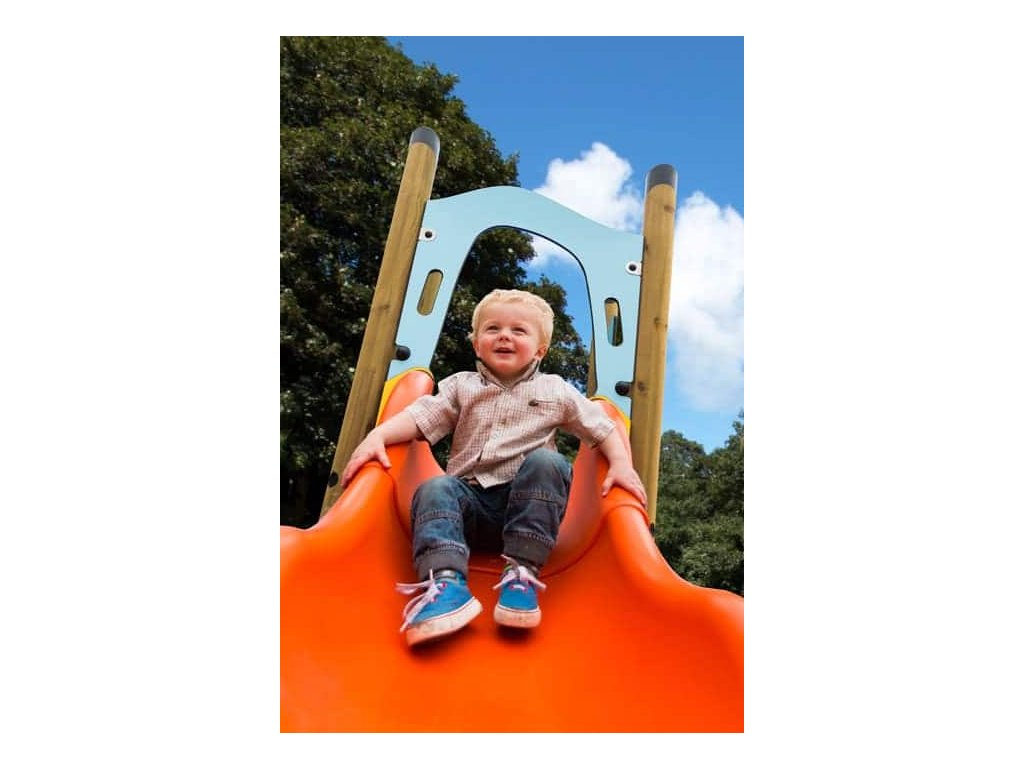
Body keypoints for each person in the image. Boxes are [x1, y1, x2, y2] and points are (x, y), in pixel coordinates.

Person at [341, 288, 647, 646]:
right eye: (493, 328)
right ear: (476, 344)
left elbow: (602, 427)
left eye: (519, 330)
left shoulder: (555, 390)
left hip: (526, 509)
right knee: (435, 488)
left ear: (540, 350)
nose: (504, 336)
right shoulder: (461, 387)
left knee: (548, 462)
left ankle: (521, 572)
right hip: (468, 508)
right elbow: (421, 416)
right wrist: (377, 436)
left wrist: (622, 464)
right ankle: (446, 583)